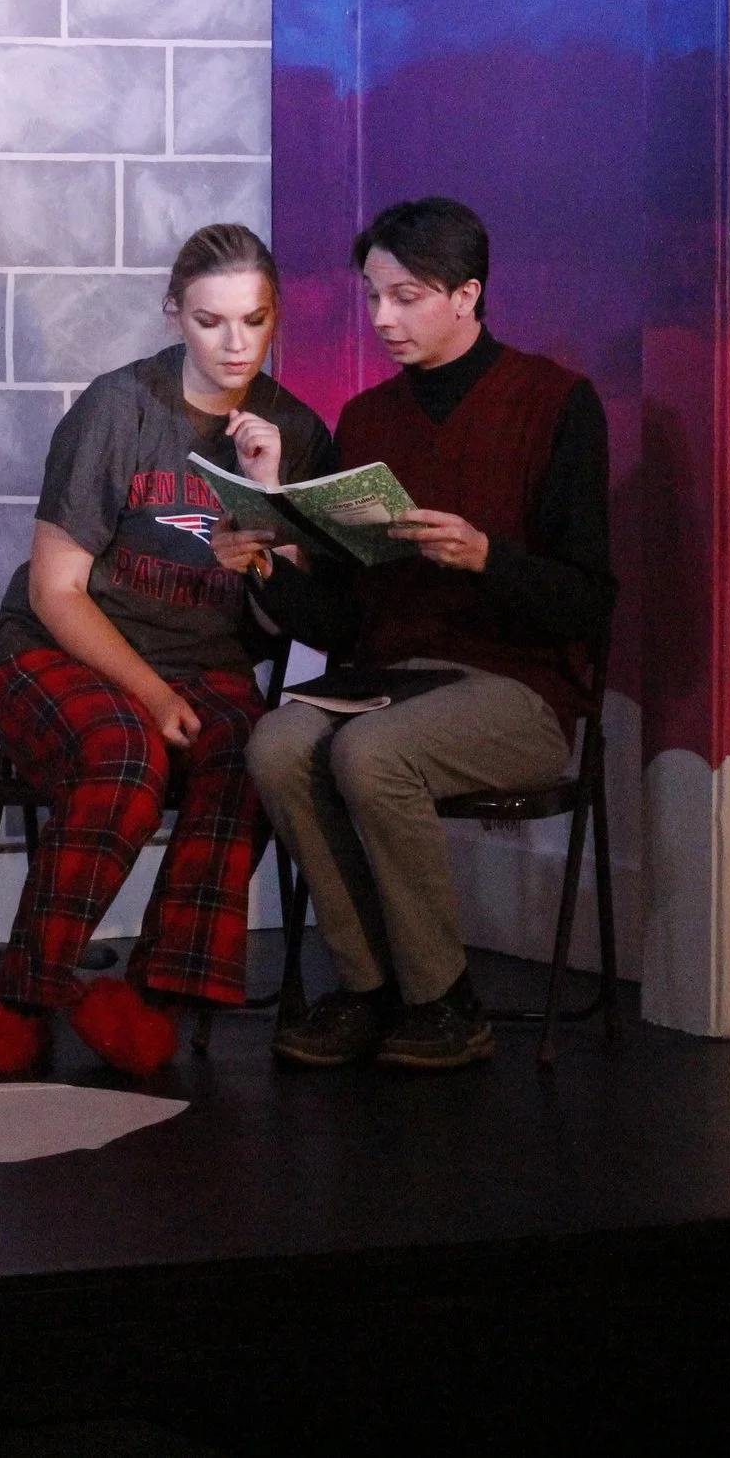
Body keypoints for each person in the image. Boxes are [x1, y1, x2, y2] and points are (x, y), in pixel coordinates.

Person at [0, 224, 336, 1076]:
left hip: (208, 664)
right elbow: (57, 591)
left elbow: (291, 621)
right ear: (174, 313)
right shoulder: (121, 406)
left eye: (254, 320)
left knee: (252, 750)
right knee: (127, 752)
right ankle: (21, 997)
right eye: (210, 320)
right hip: (63, 650)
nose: (234, 343)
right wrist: (153, 695)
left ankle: (153, 997)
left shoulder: (296, 430)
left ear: (276, 315)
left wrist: (268, 507)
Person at [219, 197, 614, 1070]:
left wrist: (486, 556)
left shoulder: (556, 403)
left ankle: (443, 997)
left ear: (467, 295)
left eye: (405, 296)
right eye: (372, 296)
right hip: (390, 677)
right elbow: (344, 617)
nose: (382, 318)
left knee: (372, 753)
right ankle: (369, 987)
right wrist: (267, 565)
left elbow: (589, 602)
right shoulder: (368, 421)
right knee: (277, 742)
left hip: (518, 686)